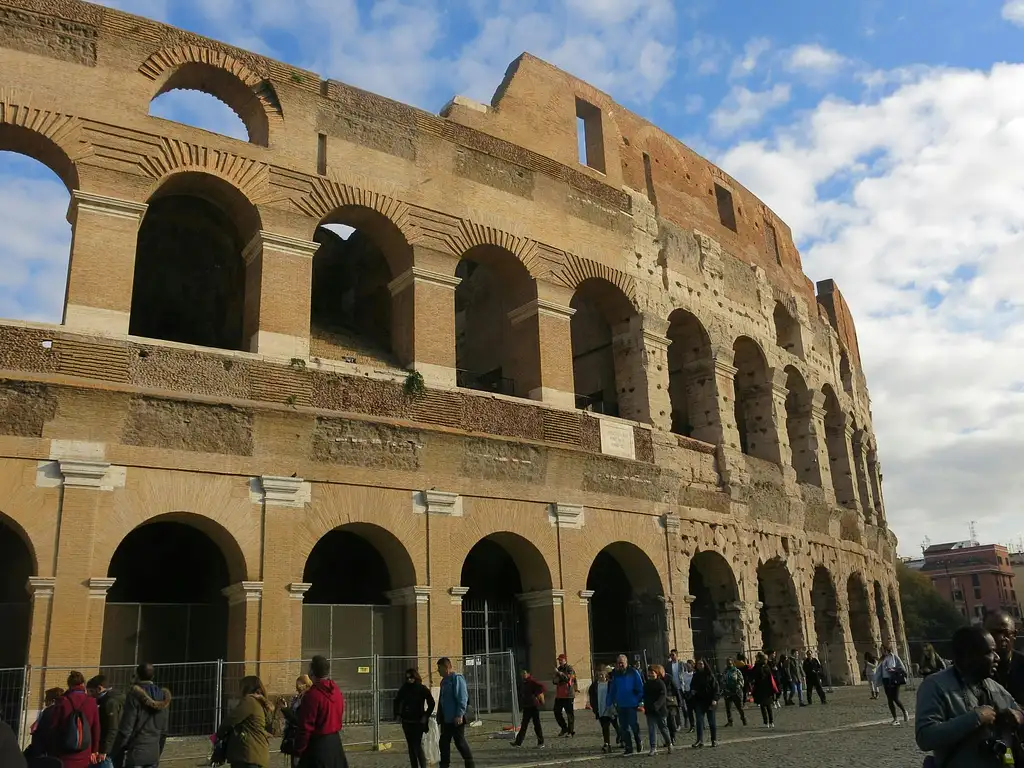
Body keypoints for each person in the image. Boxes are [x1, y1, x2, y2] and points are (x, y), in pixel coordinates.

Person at [916, 625, 1023, 767]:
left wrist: (1017, 716)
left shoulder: (994, 686)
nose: (996, 657)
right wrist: (975, 718)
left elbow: (1019, 713)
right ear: (965, 657)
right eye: (989, 652)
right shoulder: (935, 686)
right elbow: (925, 737)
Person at [110, 663, 171, 768]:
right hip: (153, 753)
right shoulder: (163, 697)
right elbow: (164, 732)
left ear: (137, 675)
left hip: (136, 753)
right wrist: (158, 751)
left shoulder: (134, 696)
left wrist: (114, 752)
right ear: (153, 676)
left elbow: (126, 729)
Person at [294, 656, 346, 768]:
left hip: (317, 746)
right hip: (335, 743)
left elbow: (306, 727)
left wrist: (299, 751)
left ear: (312, 671)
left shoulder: (312, 695)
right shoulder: (336, 690)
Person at [216, 675, 273, 768]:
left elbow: (231, 720)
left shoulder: (249, 701)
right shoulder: (259, 702)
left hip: (248, 754)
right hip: (257, 754)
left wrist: (218, 736)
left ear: (246, 688)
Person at [47, 671, 100, 768]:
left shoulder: (62, 702)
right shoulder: (91, 702)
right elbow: (96, 728)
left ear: (69, 685)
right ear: (83, 684)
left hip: (64, 753)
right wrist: (94, 751)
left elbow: (53, 727)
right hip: (84, 752)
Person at [436, 657, 474, 768]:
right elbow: (442, 700)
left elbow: (462, 698)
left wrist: (459, 714)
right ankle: (444, 765)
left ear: (445, 667)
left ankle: (470, 764)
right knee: (443, 743)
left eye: (439, 668)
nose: (438, 670)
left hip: (456, 719)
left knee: (460, 743)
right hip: (446, 719)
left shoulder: (456, 679)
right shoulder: (444, 681)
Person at [394, 668, 436, 767]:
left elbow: (431, 703)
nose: (409, 680)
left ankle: (423, 766)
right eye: (407, 678)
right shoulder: (404, 688)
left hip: (418, 721)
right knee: (411, 747)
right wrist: (398, 714)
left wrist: (426, 715)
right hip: (406, 721)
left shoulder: (421, 688)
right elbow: (397, 700)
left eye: (411, 677)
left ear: (415, 677)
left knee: (416, 746)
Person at [605, 654, 644, 755]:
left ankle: (638, 740)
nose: (620, 664)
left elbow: (640, 687)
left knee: (633, 725)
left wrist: (639, 700)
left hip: (632, 704)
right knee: (624, 727)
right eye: (618, 663)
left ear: (626, 662)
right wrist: (608, 703)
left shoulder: (633, 672)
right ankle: (628, 746)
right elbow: (612, 690)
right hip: (620, 705)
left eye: (622, 662)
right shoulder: (616, 675)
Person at [985, 610, 1024, 704]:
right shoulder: (975, 668)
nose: (1001, 638)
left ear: (1014, 635)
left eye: (1006, 633)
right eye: (995, 633)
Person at [86, 675, 124, 768]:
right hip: (115, 746)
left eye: (91, 691)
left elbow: (112, 728)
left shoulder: (109, 703)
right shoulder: (112, 699)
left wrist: (104, 751)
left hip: (109, 750)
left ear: (99, 689)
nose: (89, 694)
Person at [281, 675, 313, 768]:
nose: (298, 690)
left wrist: (286, 710)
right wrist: (286, 707)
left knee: (298, 763)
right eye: (297, 688)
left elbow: (298, 720)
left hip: (301, 737)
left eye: (299, 687)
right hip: (294, 737)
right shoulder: (297, 699)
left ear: (306, 686)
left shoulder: (307, 699)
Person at [587, 665, 620, 754]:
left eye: (602, 675)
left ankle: (620, 736)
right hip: (601, 709)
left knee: (616, 724)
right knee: (605, 727)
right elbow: (592, 698)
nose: (601, 676)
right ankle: (607, 744)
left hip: (611, 708)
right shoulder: (594, 686)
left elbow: (615, 695)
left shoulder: (610, 684)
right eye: (599, 675)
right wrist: (594, 708)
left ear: (606, 675)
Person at [642, 665, 673, 756]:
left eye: (652, 672)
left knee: (663, 728)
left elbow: (663, 696)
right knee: (652, 729)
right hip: (650, 711)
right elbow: (645, 696)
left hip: (660, 711)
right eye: (649, 672)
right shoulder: (646, 684)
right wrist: (644, 705)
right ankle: (653, 747)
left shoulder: (660, 683)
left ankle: (669, 744)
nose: (650, 674)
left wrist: (656, 706)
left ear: (656, 673)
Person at [875, 645, 909, 725]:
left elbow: (901, 668)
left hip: (894, 679)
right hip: (886, 680)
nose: (881, 651)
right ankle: (895, 719)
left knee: (895, 698)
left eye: (882, 649)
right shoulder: (882, 658)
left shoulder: (894, 657)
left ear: (886, 649)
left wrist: (892, 669)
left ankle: (904, 711)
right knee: (889, 699)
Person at [689, 658, 719, 748]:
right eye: (698, 664)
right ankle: (699, 740)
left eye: (701, 664)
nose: (699, 665)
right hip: (699, 701)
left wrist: (715, 699)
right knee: (699, 721)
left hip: (710, 701)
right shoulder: (695, 676)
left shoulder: (710, 675)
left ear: (705, 665)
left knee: (711, 722)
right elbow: (692, 686)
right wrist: (692, 691)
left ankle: (714, 740)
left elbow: (716, 689)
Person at [512, 670, 545, 749]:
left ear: (528, 674)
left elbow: (541, 687)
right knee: (523, 725)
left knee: (537, 725)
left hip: (533, 706)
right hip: (526, 707)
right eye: (522, 673)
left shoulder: (532, 681)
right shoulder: (524, 683)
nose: (523, 675)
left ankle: (541, 742)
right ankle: (518, 743)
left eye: (524, 673)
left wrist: (538, 697)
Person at [552, 654, 576, 738]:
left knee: (569, 713)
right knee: (556, 711)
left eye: (561, 660)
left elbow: (567, 679)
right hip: (559, 695)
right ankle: (564, 728)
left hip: (568, 694)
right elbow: (554, 681)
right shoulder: (558, 669)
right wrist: (557, 676)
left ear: (565, 660)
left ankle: (571, 731)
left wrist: (559, 674)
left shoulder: (569, 668)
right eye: (559, 660)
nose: (559, 661)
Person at [655, 665, 679, 745]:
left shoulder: (669, 678)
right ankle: (667, 739)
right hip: (662, 703)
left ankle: (673, 737)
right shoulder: (657, 679)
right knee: (664, 723)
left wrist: (679, 701)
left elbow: (675, 689)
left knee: (671, 720)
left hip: (670, 702)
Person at [752, 653, 777, 729]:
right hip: (760, 689)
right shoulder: (758, 667)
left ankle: (771, 721)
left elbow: (770, 677)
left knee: (769, 706)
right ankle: (766, 722)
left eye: (766, 659)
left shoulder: (767, 667)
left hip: (767, 689)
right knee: (763, 706)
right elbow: (755, 675)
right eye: (765, 659)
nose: (766, 661)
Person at [721, 658, 747, 727]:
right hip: (728, 692)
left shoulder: (736, 671)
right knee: (728, 708)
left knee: (739, 707)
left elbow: (741, 680)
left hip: (736, 691)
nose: (729, 665)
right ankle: (730, 721)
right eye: (727, 663)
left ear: (732, 663)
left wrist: (738, 687)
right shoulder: (725, 671)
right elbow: (723, 680)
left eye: (730, 663)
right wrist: (724, 687)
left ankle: (743, 718)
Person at [666, 650, 685, 729]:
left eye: (673, 655)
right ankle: (678, 724)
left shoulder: (681, 664)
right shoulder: (668, 665)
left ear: (677, 655)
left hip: (681, 687)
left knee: (684, 706)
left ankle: (687, 720)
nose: (672, 656)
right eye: (671, 655)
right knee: (675, 706)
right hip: (673, 689)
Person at [680, 660, 695, 732]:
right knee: (689, 711)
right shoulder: (684, 674)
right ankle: (692, 726)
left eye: (689, 666)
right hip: (687, 693)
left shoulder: (694, 674)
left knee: (697, 710)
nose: (687, 667)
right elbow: (682, 683)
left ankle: (701, 724)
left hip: (694, 693)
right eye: (686, 666)